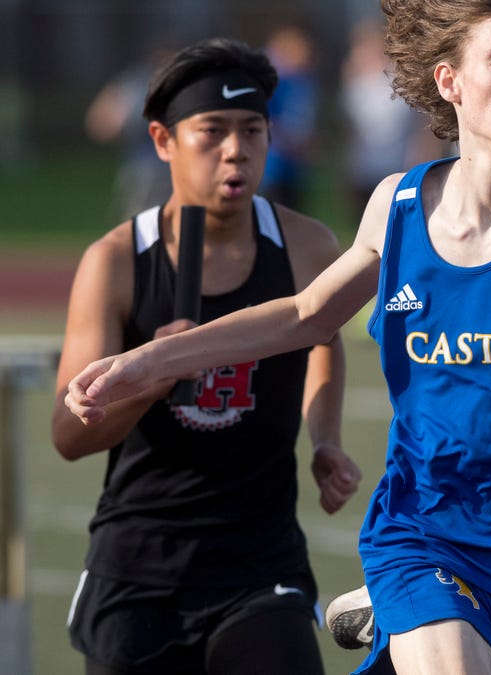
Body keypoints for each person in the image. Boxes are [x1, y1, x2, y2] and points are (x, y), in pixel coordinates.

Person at [61, 1, 491, 673]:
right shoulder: (398, 206)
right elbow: (306, 313)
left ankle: (393, 621)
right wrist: (150, 357)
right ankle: (411, 604)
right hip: (426, 530)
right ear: (450, 81)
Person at [51, 37, 362, 675]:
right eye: (212, 131)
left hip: (259, 561)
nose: (236, 151)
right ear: (163, 140)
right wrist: (151, 374)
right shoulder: (115, 261)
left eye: (252, 130)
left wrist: (324, 436)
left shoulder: (305, 246)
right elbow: (69, 434)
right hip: (138, 566)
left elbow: (323, 340)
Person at [341, 18, 449, 218]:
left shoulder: (399, 81)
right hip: (364, 168)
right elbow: (350, 129)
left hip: (398, 168)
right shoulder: (354, 84)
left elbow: (423, 125)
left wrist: (422, 162)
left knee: (395, 223)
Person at [84, 42, 176, 218]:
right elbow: (100, 123)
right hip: (144, 167)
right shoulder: (136, 84)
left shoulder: (187, 86)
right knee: (141, 221)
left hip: (173, 167)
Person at [259, 25, 318, 210]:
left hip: (296, 166)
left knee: (295, 218)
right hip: (273, 164)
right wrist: (290, 140)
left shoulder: (303, 80)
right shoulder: (273, 81)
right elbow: (266, 119)